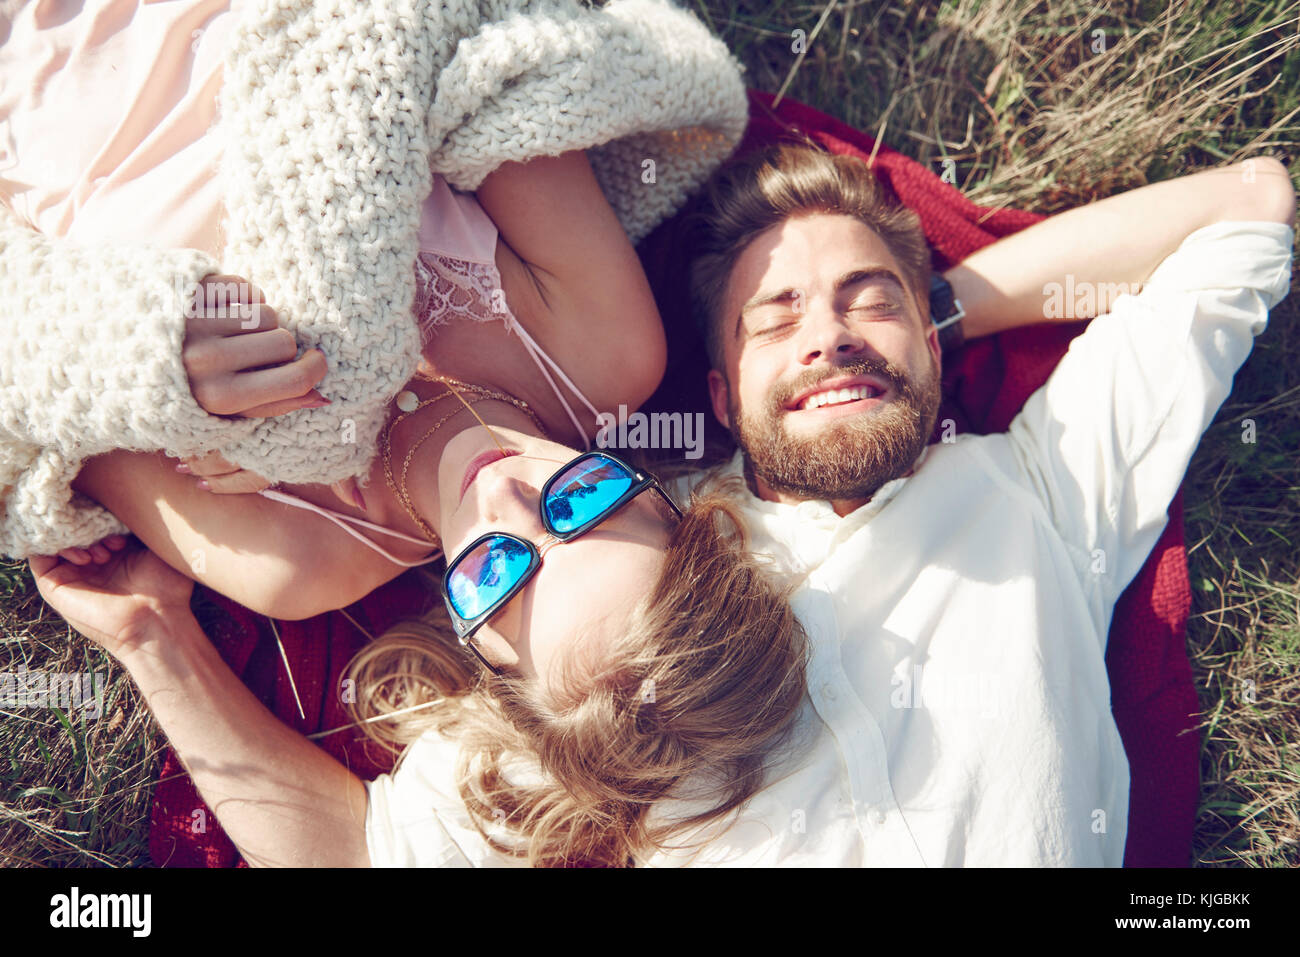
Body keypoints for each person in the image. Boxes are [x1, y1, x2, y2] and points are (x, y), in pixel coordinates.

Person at [4, 0, 809, 866]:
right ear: (660, 499)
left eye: (501, 575)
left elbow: (26, 388)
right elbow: (438, 32)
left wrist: (143, 348)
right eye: (583, 501)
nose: (506, 497)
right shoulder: (604, 345)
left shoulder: (292, 556)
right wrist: (341, 349)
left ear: (482, 651)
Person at [656, 142, 1292, 865]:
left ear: (931, 347)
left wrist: (950, 307)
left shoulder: (1047, 485)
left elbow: (1251, 203)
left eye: (871, 302)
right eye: (775, 321)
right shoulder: (651, 547)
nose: (830, 336)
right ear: (721, 399)